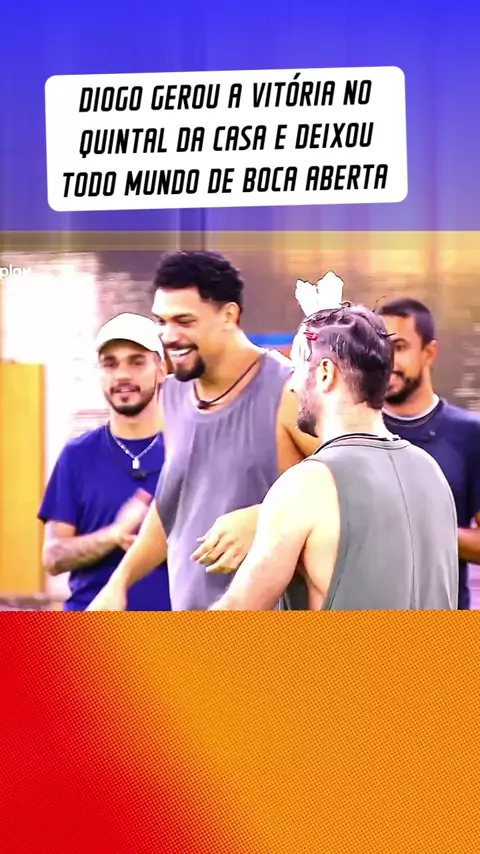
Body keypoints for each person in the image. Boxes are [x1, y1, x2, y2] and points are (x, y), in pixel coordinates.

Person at [87, 250, 322, 611]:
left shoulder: (290, 391)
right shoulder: (172, 395)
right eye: (162, 321)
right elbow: (175, 505)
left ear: (229, 315)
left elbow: (351, 489)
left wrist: (265, 518)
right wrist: (119, 582)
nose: (169, 336)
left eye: (184, 321)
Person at [208, 303, 459, 610]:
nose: (292, 386)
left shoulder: (306, 486)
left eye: (297, 368)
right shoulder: (431, 471)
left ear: (325, 374)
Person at [38, 313, 171, 611]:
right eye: (110, 364)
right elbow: (54, 557)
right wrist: (113, 536)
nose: (122, 375)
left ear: (161, 370)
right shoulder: (78, 455)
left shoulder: (188, 452)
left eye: (136, 362)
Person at [379, 297, 480, 610]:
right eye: (379, 348)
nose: (387, 361)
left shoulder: (469, 434)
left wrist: (424, 528)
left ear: (429, 353)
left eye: (399, 347)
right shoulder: (351, 431)